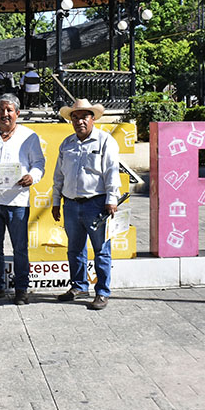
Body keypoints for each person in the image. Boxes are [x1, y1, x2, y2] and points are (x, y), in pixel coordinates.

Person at [0, 93, 46, 305]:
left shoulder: (29, 136)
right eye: (1, 110)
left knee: (20, 248)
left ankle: (21, 288)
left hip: (17, 202)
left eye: (9, 110)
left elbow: (39, 163)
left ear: (17, 113)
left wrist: (33, 176)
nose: (5, 114)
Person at [51, 98, 120, 311]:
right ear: (71, 120)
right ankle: (79, 286)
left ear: (93, 119)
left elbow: (111, 172)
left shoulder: (105, 141)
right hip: (71, 204)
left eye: (84, 117)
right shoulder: (67, 144)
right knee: (74, 249)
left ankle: (102, 292)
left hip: (97, 203)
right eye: (75, 117)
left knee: (101, 250)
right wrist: (55, 202)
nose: (80, 121)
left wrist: (111, 199)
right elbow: (58, 176)